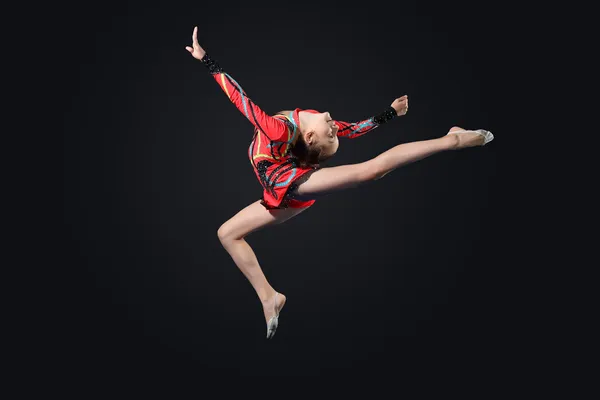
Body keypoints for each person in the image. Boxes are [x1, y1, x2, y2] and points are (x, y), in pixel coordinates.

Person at [185, 26, 493, 339]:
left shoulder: (281, 130)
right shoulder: (296, 127)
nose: (335, 128)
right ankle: (270, 296)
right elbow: (354, 128)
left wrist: (206, 60)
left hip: (290, 182)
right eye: (333, 133)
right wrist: (390, 113)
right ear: (307, 136)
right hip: (278, 192)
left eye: (330, 133)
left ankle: (450, 140)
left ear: (309, 138)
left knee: (369, 172)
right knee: (227, 234)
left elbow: (242, 99)